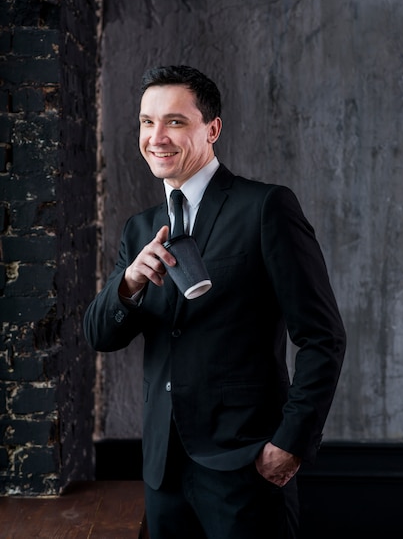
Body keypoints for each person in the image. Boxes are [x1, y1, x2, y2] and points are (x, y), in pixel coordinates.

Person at [84, 65, 346, 539]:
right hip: (163, 471)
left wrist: (290, 443)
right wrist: (129, 282)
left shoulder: (265, 208)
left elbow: (323, 337)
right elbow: (101, 336)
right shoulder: (140, 229)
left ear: (212, 129)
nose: (156, 136)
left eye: (175, 121)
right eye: (147, 122)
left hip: (247, 466)